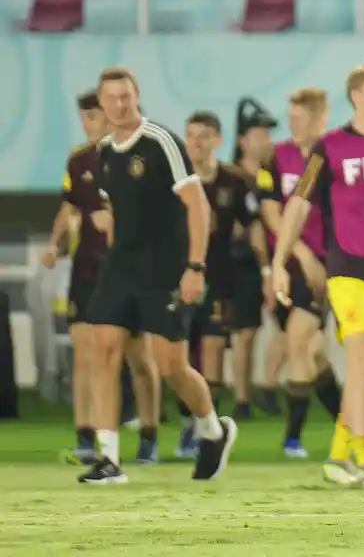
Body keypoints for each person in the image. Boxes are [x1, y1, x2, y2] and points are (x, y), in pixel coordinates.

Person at [78, 67, 236, 485]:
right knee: (104, 350)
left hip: (165, 270)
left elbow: (198, 206)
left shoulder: (160, 141)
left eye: (125, 96)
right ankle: (108, 458)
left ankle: (213, 431)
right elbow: (121, 212)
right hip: (121, 269)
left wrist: (195, 267)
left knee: (171, 367)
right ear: (102, 102)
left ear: (137, 96)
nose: (119, 104)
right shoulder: (105, 152)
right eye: (111, 98)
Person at [271, 66, 364, 486]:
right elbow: (297, 205)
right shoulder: (329, 147)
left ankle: (337, 457)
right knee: (363, 356)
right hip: (348, 268)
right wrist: (280, 262)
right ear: (355, 96)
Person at [46, 90, 161, 467]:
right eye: (84, 117)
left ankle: (149, 434)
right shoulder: (78, 161)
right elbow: (69, 205)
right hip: (87, 269)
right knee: (86, 353)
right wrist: (54, 243)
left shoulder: (139, 157)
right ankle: (86, 436)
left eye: (93, 116)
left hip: (129, 270)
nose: (87, 124)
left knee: (138, 358)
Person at [258, 88, 343, 459]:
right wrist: (296, 253)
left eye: (299, 116)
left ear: (319, 117)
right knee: (311, 353)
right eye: (290, 116)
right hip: (289, 264)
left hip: (324, 268)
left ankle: (292, 438)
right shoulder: (275, 158)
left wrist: (318, 259)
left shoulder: (334, 156)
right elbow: (272, 213)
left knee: (298, 339)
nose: (292, 122)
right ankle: (349, 423)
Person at [171, 112, 260, 459]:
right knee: (178, 359)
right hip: (177, 281)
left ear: (217, 141)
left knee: (210, 356)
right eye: (191, 135)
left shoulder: (235, 181)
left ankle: (204, 427)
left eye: (204, 136)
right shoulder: (174, 179)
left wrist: (268, 270)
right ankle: (186, 423)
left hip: (219, 281)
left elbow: (252, 225)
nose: (196, 142)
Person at [228, 101, 277, 421]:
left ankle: (267, 387)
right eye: (260, 135)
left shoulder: (272, 176)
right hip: (240, 264)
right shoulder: (231, 177)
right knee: (242, 334)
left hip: (274, 262)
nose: (266, 141)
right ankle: (242, 399)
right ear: (243, 140)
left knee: (282, 330)